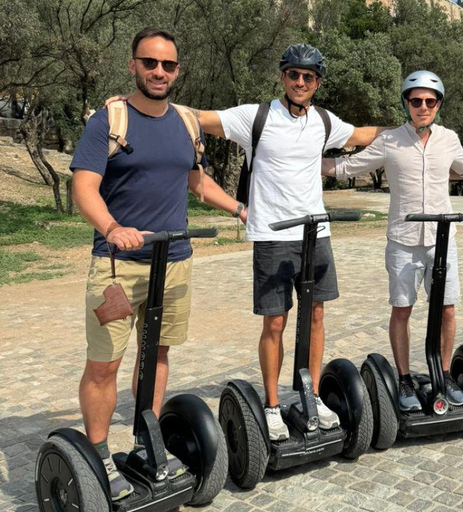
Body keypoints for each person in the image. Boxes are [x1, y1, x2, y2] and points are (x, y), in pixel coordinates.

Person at [160, 43, 389, 441]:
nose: (300, 82)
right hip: (272, 235)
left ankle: (310, 395)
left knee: (316, 316)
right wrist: (131, 105)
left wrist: (411, 127)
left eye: (308, 76)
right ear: (283, 77)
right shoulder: (256, 116)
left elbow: (362, 134)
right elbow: (198, 117)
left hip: (315, 234)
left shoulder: (323, 121)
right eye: (293, 74)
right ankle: (270, 405)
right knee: (276, 322)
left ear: (318, 82)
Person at [71, 27, 246, 501]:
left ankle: (144, 442)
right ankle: (99, 455)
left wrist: (238, 208)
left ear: (177, 71)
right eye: (149, 62)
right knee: (104, 364)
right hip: (117, 266)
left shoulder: (186, 123)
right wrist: (112, 227)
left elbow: (196, 181)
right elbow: (83, 186)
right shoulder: (109, 120)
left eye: (167, 65)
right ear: (133, 65)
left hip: (174, 262)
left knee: (157, 355)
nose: (158, 71)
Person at [323, 71, 463, 411]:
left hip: (442, 240)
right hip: (403, 240)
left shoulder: (448, 139)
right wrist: (300, 158)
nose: (423, 107)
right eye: (416, 101)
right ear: (406, 104)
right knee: (402, 309)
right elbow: (347, 168)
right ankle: (405, 379)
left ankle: (444, 374)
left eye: (430, 101)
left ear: (438, 105)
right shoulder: (390, 141)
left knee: (447, 309)